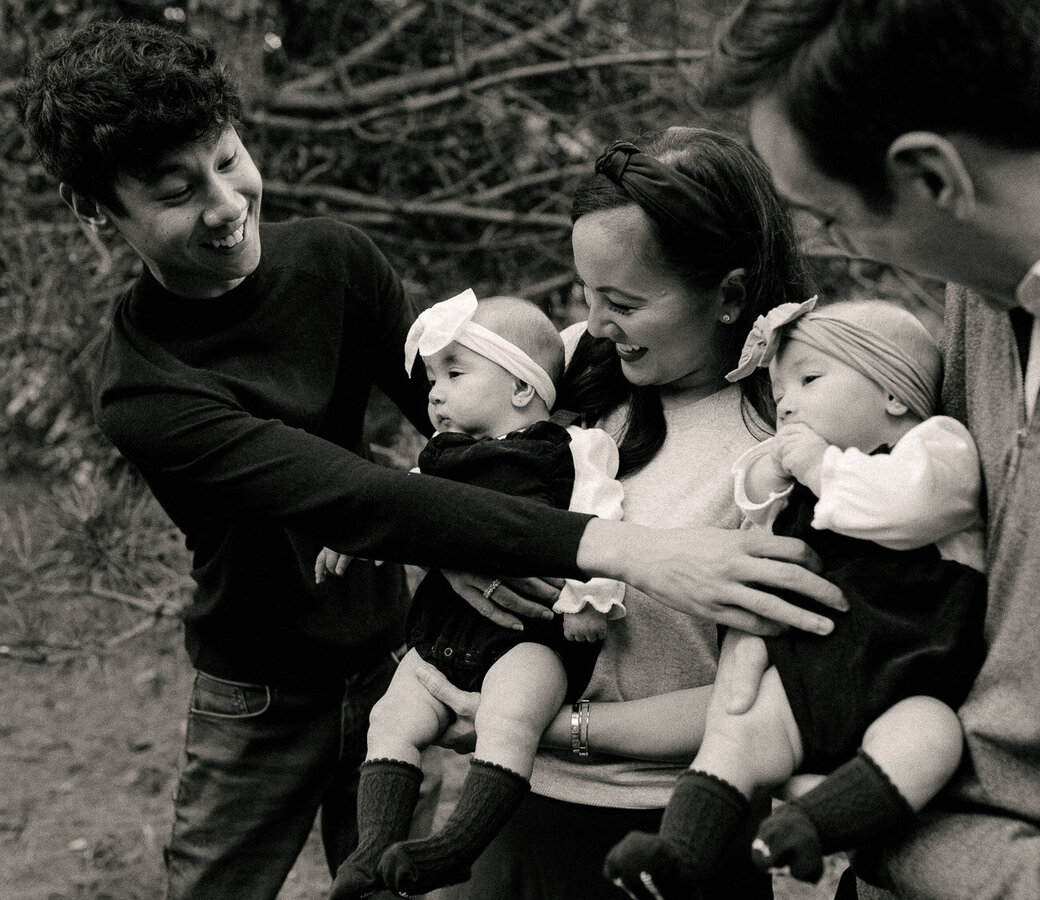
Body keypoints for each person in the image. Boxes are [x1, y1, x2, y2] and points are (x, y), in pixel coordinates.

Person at [16, 21, 845, 900]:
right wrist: (608, 547)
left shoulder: (335, 261)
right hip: (258, 690)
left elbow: (480, 438)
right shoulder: (145, 390)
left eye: (227, 159)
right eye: (177, 190)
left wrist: (494, 552)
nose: (224, 204)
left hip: (397, 657)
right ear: (99, 209)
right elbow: (351, 496)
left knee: (393, 879)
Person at [701, 0, 1040, 896]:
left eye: (829, 216)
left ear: (933, 175)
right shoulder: (996, 262)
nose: (831, 245)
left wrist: (873, 828)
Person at [411, 126, 839, 900]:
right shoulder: (574, 367)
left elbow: (766, 695)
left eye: (624, 301)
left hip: (669, 827)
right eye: (586, 293)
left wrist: (560, 727)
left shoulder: (788, 446)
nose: (597, 321)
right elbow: (462, 484)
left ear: (731, 294)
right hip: (502, 800)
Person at [603, 297, 987, 899]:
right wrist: (768, 478)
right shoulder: (808, 481)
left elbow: (910, 507)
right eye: (780, 391)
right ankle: (677, 854)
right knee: (734, 728)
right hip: (805, 675)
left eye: (809, 380)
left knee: (932, 738)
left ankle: (811, 824)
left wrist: (819, 466)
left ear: (893, 394)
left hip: (911, 675)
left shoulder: (934, 448)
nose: (787, 403)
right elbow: (757, 518)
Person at [325, 288, 628, 899]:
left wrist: (589, 597)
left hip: (530, 635)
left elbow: (601, 518)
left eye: (454, 374)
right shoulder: (441, 456)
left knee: (508, 720)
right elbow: (402, 508)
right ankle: (373, 845)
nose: (434, 393)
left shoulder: (570, 451)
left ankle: (459, 844)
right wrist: (361, 535)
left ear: (521, 388)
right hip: (442, 631)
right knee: (390, 716)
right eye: (433, 377)